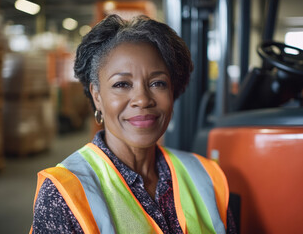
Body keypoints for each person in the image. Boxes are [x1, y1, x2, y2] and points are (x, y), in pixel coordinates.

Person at [30, 14, 236, 234]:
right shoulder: (64, 193)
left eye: (157, 83)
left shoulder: (204, 175)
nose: (143, 99)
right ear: (97, 96)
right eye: (122, 84)